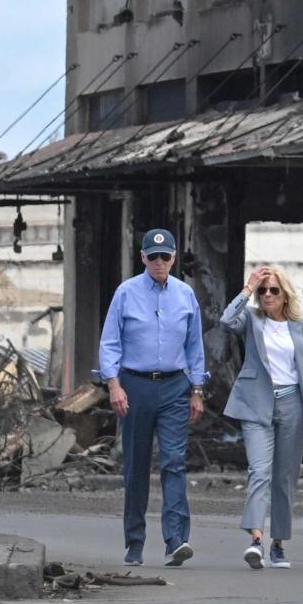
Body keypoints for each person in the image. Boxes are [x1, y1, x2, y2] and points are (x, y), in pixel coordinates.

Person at [99, 228, 207, 568]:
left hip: (175, 386)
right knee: (136, 465)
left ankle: (176, 540)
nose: (159, 263)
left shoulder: (186, 295)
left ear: (174, 257)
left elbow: (194, 347)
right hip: (135, 385)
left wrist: (197, 390)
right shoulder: (126, 293)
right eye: (153, 257)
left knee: (174, 462)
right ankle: (134, 541)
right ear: (143, 258)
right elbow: (110, 343)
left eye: (165, 256)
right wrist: (114, 385)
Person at [222, 266, 303, 570]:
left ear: (285, 296)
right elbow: (227, 320)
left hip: (292, 403)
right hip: (256, 403)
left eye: (273, 290)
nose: (267, 295)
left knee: (284, 477)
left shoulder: (302, 327)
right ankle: (256, 540)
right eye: (262, 290)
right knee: (259, 470)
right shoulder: (252, 320)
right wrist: (247, 287)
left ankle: (278, 544)